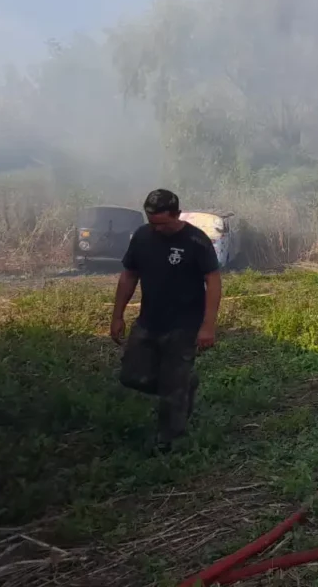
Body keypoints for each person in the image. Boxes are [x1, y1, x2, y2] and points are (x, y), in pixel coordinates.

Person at [109, 189, 222, 453]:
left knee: (172, 388)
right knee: (131, 377)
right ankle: (184, 385)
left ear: (177, 215)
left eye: (162, 223)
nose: (157, 229)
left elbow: (213, 281)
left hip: (184, 325)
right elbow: (128, 276)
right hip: (149, 321)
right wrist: (117, 315)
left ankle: (170, 441)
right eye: (152, 223)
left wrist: (208, 325)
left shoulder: (196, 241)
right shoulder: (141, 237)